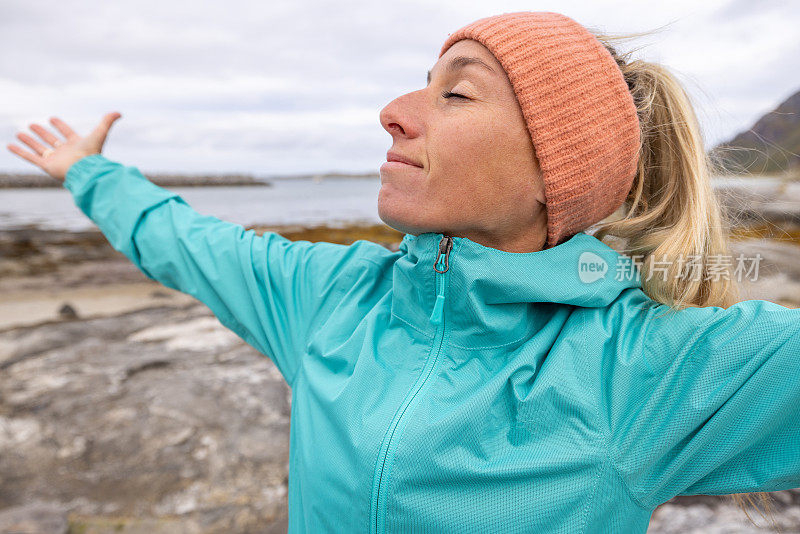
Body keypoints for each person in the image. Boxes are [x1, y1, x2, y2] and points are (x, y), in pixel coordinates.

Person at [6, 10, 799, 534]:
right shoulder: (329, 298)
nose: (395, 109)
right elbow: (185, 239)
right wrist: (90, 173)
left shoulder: (646, 370)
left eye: (455, 91)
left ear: (554, 175)